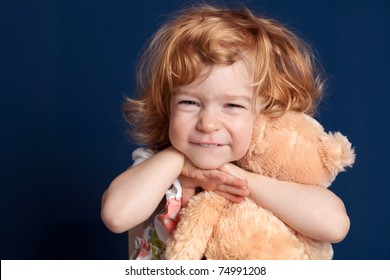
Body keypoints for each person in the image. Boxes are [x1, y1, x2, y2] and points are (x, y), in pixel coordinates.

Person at [101, 3, 350, 260]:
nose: (208, 124)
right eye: (189, 102)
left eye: (232, 105)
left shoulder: (269, 169)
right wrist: (179, 160)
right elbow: (117, 216)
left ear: (264, 112)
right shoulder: (157, 165)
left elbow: (335, 225)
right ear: (167, 105)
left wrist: (241, 179)